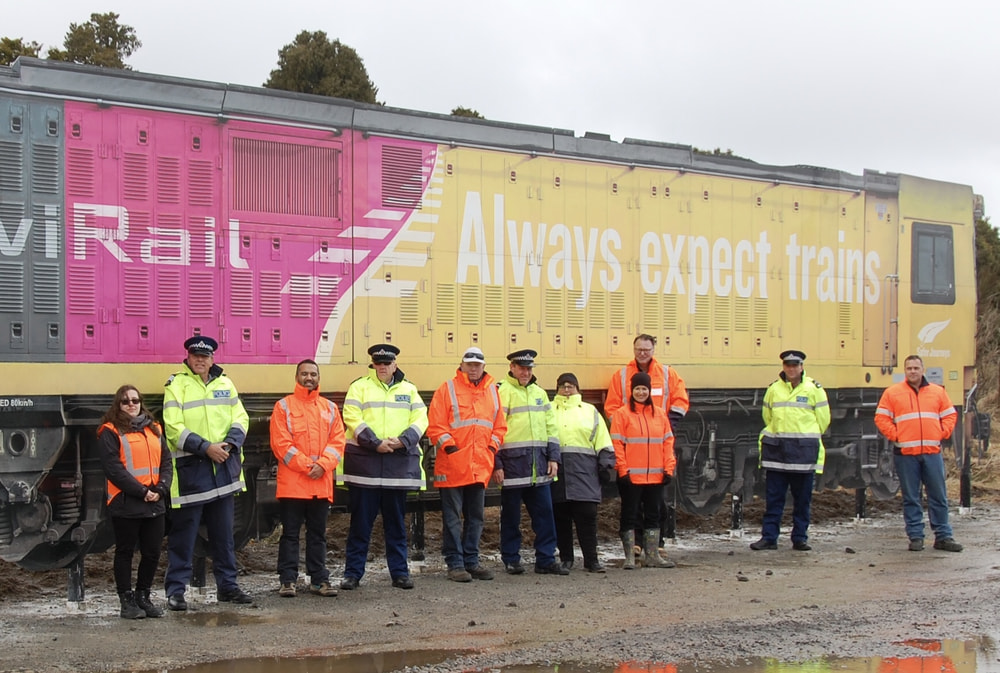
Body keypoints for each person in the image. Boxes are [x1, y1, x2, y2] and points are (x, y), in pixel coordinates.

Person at [163, 336, 253, 610]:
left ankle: (228, 587)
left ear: (212, 359)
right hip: (193, 473)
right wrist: (206, 449)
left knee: (224, 537)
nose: (200, 360)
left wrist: (230, 443)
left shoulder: (225, 383)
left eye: (205, 356)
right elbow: (173, 428)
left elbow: (241, 418)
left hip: (223, 471)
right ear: (188, 357)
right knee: (183, 537)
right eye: (195, 355)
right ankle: (176, 592)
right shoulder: (176, 385)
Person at [341, 344, 428, 590]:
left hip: (396, 469)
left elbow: (421, 418)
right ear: (373, 364)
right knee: (360, 526)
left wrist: (403, 440)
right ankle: (353, 574)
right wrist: (374, 443)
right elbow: (351, 416)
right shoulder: (359, 387)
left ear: (395, 365)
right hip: (366, 467)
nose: (382, 367)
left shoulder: (409, 390)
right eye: (378, 363)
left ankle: (400, 573)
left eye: (386, 363)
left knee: (396, 525)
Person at [427, 346, 507, 582]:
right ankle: (455, 563)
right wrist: (451, 448)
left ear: (483, 366)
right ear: (462, 365)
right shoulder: (447, 389)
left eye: (477, 364)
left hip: (479, 464)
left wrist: (491, 448)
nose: (473, 368)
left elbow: (499, 426)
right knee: (452, 518)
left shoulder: (492, 391)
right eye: (469, 364)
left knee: (476, 517)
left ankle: (470, 561)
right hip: (453, 465)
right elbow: (436, 425)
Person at [269, 359, 345, 598]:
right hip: (294, 484)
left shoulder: (330, 408)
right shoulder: (283, 407)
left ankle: (319, 579)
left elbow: (338, 442)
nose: (309, 377)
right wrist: (309, 466)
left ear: (318, 378)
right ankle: (288, 580)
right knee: (290, 534)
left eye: (313, 373)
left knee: (318, 534)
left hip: (319, 482)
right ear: (297, 377)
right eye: (304, 374)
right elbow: (281, 444)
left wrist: (322, 465)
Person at [604, 334, 689, 546]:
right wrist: (627, 427)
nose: (643, 353)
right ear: (634, 350)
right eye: (639, 349)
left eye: (647, 350)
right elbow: (612, 407)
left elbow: (680, 401)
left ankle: (655, 548)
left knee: (656, 506)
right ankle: (637, 548)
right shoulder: (622, 376)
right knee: (632, 507)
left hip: (656, 450)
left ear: (653, 350)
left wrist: (667, 424)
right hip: (632, 451)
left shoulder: (668, 374)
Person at [97, 385, 173, 619]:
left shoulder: (155, 429)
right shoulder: (109, 431)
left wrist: (160, 489)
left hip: (154, 500)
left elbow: (167, 462)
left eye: (135, 400)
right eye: (125, 401)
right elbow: (114, 470)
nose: (131, 404)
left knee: (152, 553)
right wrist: (142, 492)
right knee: (125, 552)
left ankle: (143, 596)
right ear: (117, 405)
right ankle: (126, 601)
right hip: (126, 502)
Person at [874, 354, 962, 552]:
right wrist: (896, 436)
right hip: (906, 454)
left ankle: (943, 536)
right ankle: (915, 537)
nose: (912, 371)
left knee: (938, 495)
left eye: (916, 368)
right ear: (905, 371)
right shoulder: (892, 393)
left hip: (932, 452)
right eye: (909, 368)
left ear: (923, 370)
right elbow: (881, 418)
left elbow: (950, 415)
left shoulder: (937, 392)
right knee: (911, 497)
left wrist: (942, 433)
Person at [494, 349, 566, 576]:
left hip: (539, 466)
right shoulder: (501, 392)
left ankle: (545, 559)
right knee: (511, 517)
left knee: (545, 515)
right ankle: (511, 559)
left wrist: (554, 457)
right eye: (521, 368)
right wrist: (496, 464)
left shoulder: (540, 393)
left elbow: (551, 428)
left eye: (529, 369)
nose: (525, 372)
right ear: (512, 368)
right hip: (513, 467)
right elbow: (493, 431)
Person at [750, 350, 830, 552]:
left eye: (795, 365)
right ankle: (769, 538)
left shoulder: (814, 389)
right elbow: (767, 417)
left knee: (802, 501)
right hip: (778, 455)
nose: (791, 368)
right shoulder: (774, 389)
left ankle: (800, 538)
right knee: (774, 500)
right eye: (788, 365)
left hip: (803, 456)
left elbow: (823, 420)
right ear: (783, 366)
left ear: (802, 367)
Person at [610, 372, 676, 568]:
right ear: (632, 390)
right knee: (629, 515)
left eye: (644, 389)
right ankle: (630, 556)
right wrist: (622, 471)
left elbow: (667, 442)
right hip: (632, 477)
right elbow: (617, 444)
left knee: (654, 514)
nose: (641, 392)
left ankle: (653, 555)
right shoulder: (622, 414)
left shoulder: (660, 414)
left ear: (649, 391)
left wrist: (668, 468)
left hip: (655, 476)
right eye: (637, 388)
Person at [551, 372, 615, 573]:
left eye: (571, 386)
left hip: (585, 473)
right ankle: (566, 559)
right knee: (561, 520)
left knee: (587, 518)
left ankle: (591, 560)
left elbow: (603, 441)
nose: (567, 390)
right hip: (557, 474)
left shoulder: (590, 411)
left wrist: (605, 466)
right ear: (557, 389)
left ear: (578, 389)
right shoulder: (548, 410)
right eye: (563, 386)